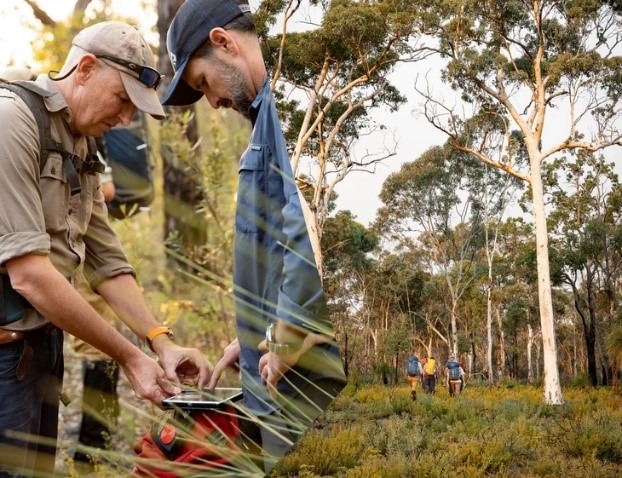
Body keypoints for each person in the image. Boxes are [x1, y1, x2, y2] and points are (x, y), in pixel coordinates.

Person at [0, 21, 212, 477]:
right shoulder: (10, 122)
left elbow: (107, 261)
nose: (124, 120)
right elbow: (29, 274)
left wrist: (159, 342)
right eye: (122, 100)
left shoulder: (81, 142)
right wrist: (130, 357)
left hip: (39, 347)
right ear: (86, 69)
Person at [162, 0, 347, 472]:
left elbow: (304, 245)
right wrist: (250, 339)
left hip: (297, 393)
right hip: (269, 386)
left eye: (204, 83)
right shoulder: (262, 123)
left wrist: (287, 335)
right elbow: (275, 253)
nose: (214, 102)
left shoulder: (284, 117)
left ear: (224, 42)